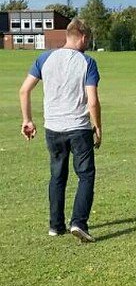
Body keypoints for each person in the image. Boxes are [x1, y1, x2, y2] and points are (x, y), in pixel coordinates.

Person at [19, 18, 101, 243]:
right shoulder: (88, 62)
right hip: (79, 128)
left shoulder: (44, 58)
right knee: (85, 175)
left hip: (52, 128)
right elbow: (92, 101)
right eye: (88, 39)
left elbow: (24, 90)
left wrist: (28, 120)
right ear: (83, 37)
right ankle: (78, 222)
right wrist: (99, 128)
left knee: (57, 176)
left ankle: (56, 225)